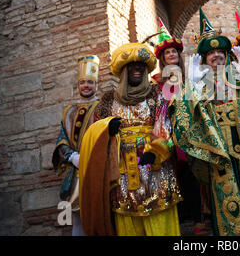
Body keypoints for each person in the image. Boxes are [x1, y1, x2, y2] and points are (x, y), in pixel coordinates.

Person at [170, 8, 240, 236]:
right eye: (211, 53)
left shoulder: (239, 75)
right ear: (205, 59)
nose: (216, 55)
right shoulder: (199, 84)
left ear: (227, 55)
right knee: (228, 203)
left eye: (220, 51)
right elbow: (183, 121)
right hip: (219, 152)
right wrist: (192, 86)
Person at [78, 41, 182, 236]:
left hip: (155, 169)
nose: (137, 70)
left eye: (141, 67)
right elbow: (94, 130)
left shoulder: (155, 93)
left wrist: (155, 151)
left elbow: (164, 122)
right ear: (124, 71)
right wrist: (107, 127)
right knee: (128, 220)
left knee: (160, 221)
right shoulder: (108, 99)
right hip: (123, 172)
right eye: (132, 67)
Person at [151, 18, 208, 235]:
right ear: (163, 59)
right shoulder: (157, 82)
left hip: (192, 128)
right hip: (168, 132)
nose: (172, 55)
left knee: (195, 172)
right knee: (175, 173)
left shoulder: (189, 76)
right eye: (168, 53)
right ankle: (181, 216)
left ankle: (199, 217)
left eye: (174, 52)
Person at [52, 55, 100, 236]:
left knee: (99, 215)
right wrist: (72, 157)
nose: (86, 86)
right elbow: (62, 138)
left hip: (98, 168)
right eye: (82, 82)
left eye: (90, 82)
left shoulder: (102, 107)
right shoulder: (69, 111)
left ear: (96, 85)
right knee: (77, 217)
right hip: (76, 169)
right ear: (78, 85)